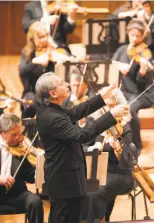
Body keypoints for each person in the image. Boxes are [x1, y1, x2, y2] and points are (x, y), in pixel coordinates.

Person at [35, 72, 128, 223]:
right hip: (63, 181)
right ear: (53, 93)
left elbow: (74, 112)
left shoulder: (51, 110)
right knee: (62, 218)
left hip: (68, 177)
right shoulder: (52, 118)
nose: (67, 84)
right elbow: (82, 135)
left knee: (72, 218)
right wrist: (110, 116)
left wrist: (102, 98)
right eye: (61, 83)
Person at [80, 94, 137, 223]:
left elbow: (125, 159)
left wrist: (117, 150)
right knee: (83, 188)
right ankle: (97, 219)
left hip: (121, 174)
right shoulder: (100, 128)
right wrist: (94, 146)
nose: (110, 110)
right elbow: (85, 145)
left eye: (113, 106)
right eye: (107, 106)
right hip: (101, 172)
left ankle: (95, 220)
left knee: (94, 192)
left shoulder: (124, 128)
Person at [112, 18, 154, 153]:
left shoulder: (145, 54)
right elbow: (111, 62)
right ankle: (117, 141)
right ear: (128, 34)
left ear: (143, 36)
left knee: (129, 108)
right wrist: (119, 66)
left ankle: (136, 144)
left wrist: (142, 72)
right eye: (132, 35)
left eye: (138, 35)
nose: (135, 38)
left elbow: (142, 85)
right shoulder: (122, 49)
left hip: (142, 94)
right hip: (125, 91)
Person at [0, 113, 44, 223]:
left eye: (19, 133)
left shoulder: (22, 150)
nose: (18, 137)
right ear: (2, 134)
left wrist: (40, 166)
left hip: (17, 194)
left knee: (35, 201)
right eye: (14, 134)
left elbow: (30, 178)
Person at [19, 21, 54, 97]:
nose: (44, 39)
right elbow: (22, 71)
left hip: (51, 93)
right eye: (40, 37)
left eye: (45, 36)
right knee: (32, 102)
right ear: (32, 39)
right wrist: (34, 61)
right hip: (32, 92)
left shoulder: (52, 51)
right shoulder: (27, 53)